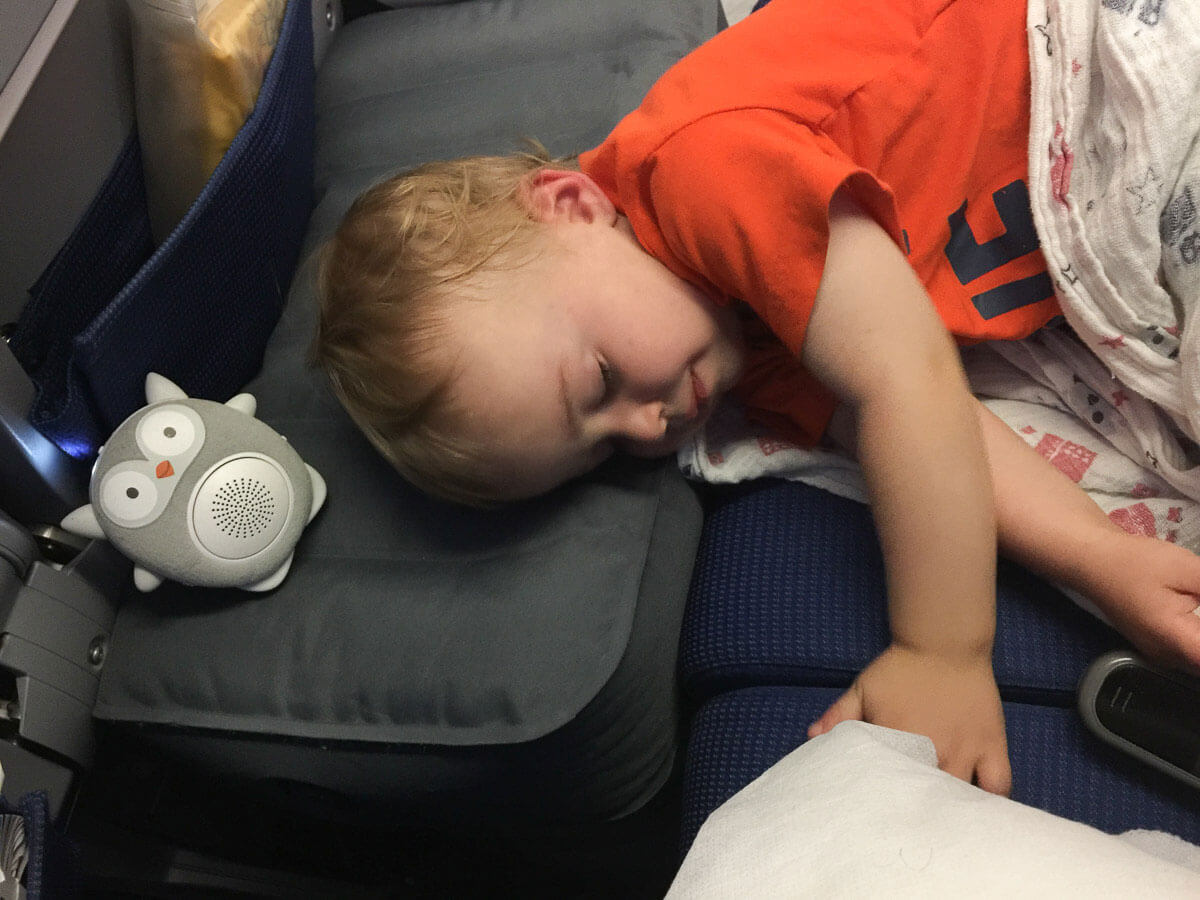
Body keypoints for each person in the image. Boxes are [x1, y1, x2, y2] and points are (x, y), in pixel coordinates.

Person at [312, 0, 1200, 794]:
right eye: (605, 446)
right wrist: (1102, 558)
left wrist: (942, 649)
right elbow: (938, 432)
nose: (648, 422)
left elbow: (910, 383)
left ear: (573, 204)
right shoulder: (741, 351)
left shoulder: (703, 170)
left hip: (1080, 65)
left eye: (603, 381)